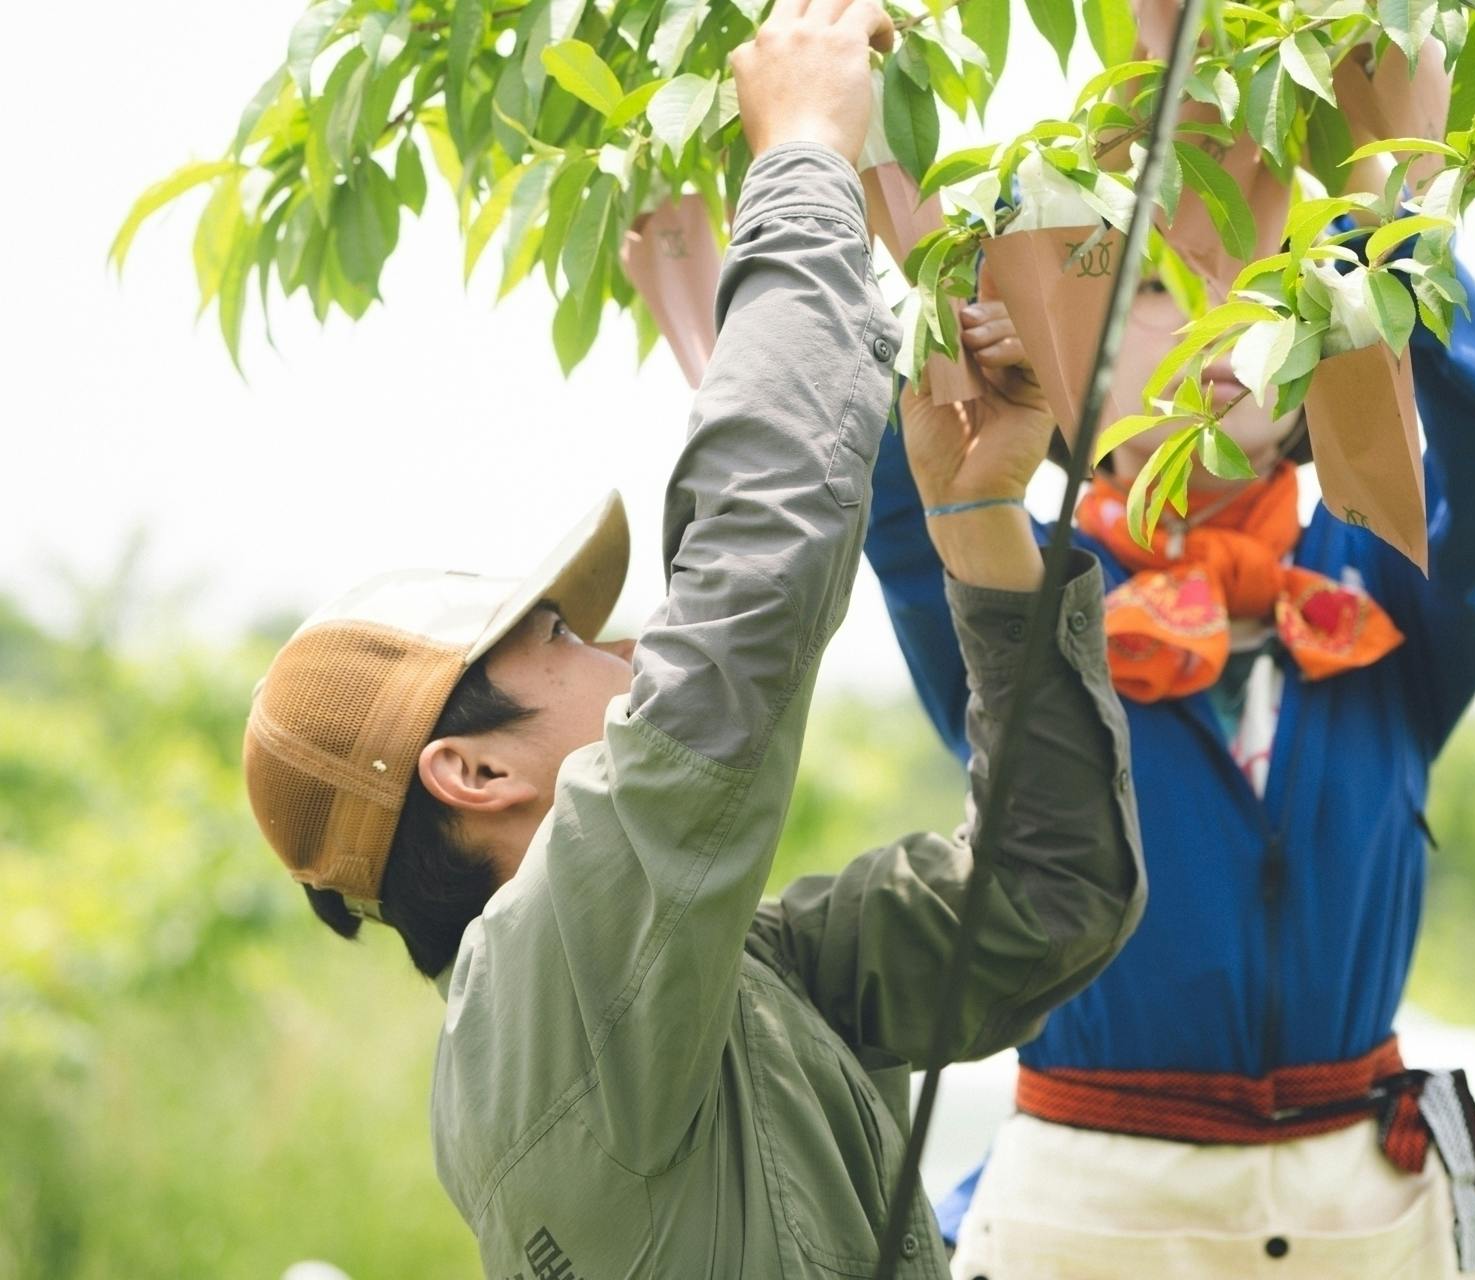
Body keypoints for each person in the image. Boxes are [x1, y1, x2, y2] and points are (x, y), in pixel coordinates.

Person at [238, 4, 1144, 1274]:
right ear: (474, 771)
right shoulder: (552, 985)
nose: (625, 645)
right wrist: (803, 165)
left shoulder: (696, 984)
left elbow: (1049, 895)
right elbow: (751, 588)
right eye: (557, 634)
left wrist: (981, 513)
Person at [865, 248, 1475, 1275]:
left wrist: (1396, 225)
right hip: (1091, 1216)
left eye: (1271, 287)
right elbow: (898, 499)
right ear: (1069, 345)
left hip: (1365, 1219)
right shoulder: (1012, 599)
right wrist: (943, 311)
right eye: (1155, 287)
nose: (1219, 316)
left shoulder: (1390, 580)